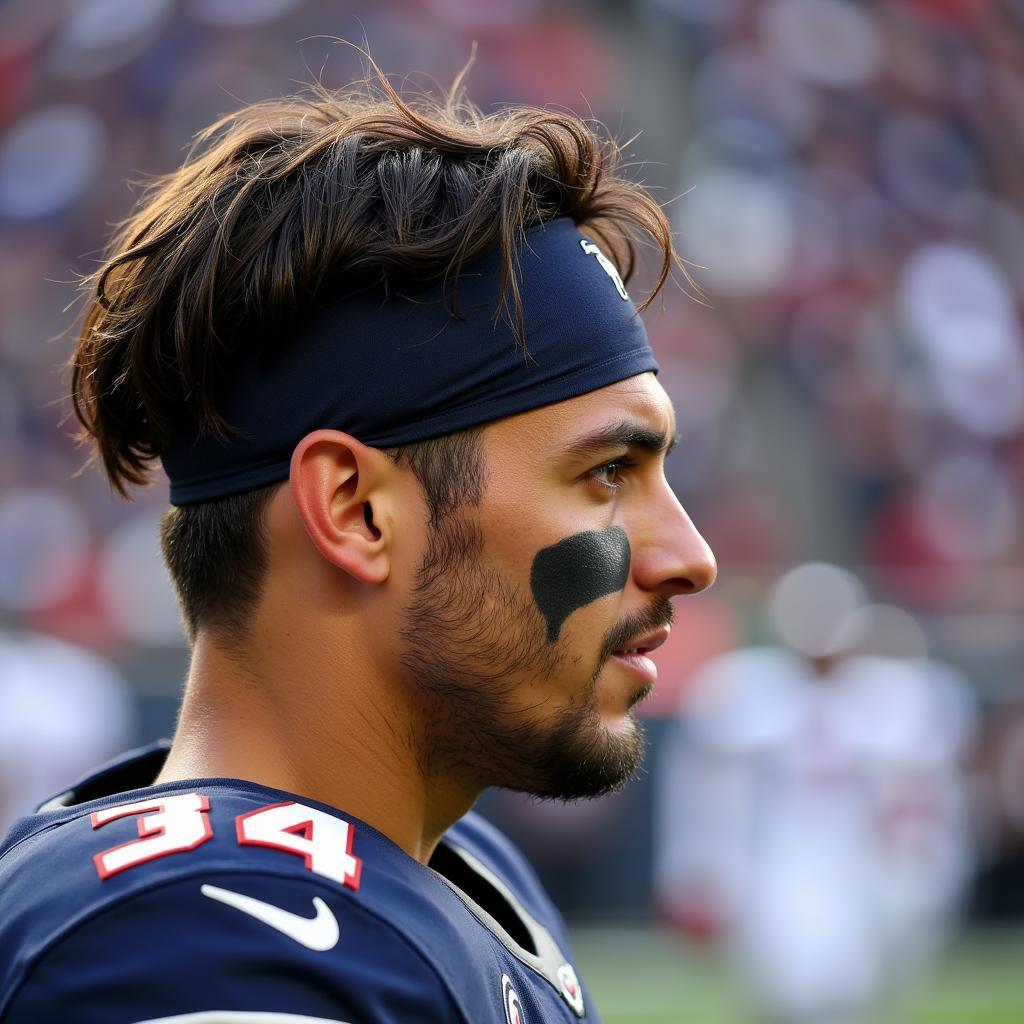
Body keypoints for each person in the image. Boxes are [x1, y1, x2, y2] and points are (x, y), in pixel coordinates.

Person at [0, 61, 716, 1024]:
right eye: (605, 476)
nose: (689, 556)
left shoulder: (449, 864)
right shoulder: (205, 940)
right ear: (354, 511)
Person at [654, 564, 975, 1024]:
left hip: (856, 855)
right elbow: (708, 794)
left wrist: (920, 861)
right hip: (782, 852)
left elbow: (922, 795)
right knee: (789, 981)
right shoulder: (747, 690)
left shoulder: (891, 694)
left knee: (853, 986)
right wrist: (703, 869)